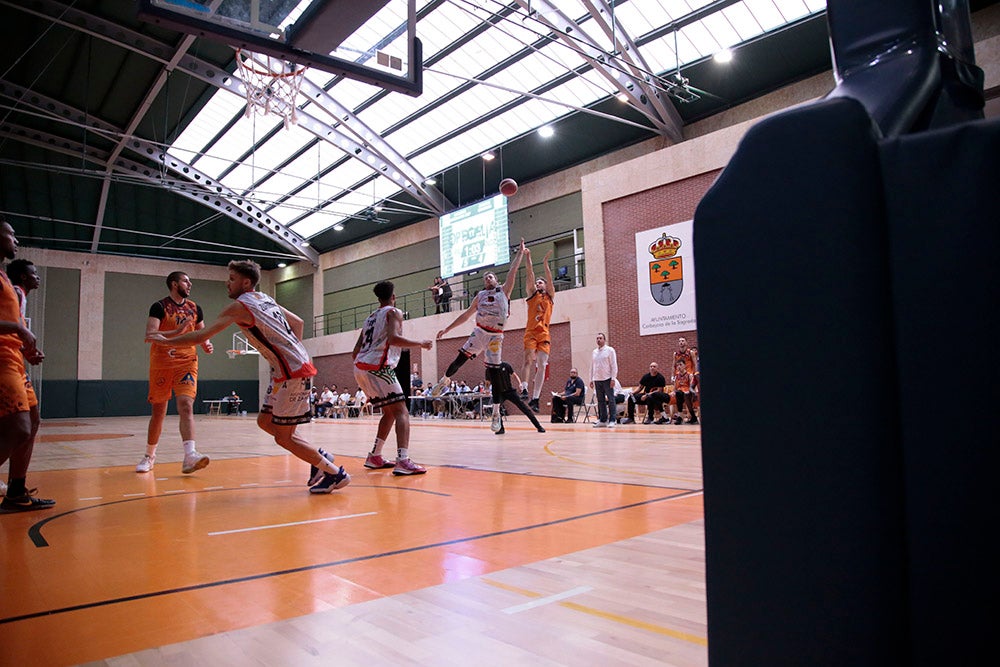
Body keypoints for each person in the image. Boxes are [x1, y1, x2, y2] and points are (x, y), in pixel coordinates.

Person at [146, 259, 349, 493]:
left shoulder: (240, 306)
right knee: (264, 422)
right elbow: (298, 323)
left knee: (284, 438)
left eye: (232, 279)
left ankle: (336, 474)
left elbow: (200, 336)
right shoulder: (265, 298)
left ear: (246, 282)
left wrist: (167, 339)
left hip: (293, 372)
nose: (227, 284)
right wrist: (289, 353)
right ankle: (319, 457)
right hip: (286, 370)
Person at [432, 239, 527, 432]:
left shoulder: (504, 291)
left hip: (495, 337)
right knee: (459, 359)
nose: (488, 280)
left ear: (496, 280)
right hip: (480, 332)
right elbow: (465, 315)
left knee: (495, 376)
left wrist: (520, 254)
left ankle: (495, 414)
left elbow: (513, 271)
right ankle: (444, 380)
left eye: (490, 277)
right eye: (485, 278)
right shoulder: (480, 296)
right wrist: (447, 329)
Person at [0, 219, 54, 512]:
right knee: (18, 428)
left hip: (15, 360)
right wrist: (19, 331)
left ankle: (16, 493)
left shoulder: (7, 282)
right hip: (0, 361)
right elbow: (13, 326)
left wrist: (26, 349)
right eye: (11, 234)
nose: (16, 240)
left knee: (32, 422)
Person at [353, 280, 433, 475]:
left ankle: (375, 456)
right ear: (393, 297)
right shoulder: (393, 312)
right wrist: (420, 343)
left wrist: (366, 368)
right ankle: (403, 460)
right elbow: (393, 339)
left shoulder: (369, 318)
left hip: (360, 367)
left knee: (389, 412)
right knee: (402, 412)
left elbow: (356, 350)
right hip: (378, 367)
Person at [138, 271, 213, 474]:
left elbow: (201, 332)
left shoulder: (195, 308)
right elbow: (150, 335)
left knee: (186, 405)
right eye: (186, 281)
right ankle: (149, 456)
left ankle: (190, 456)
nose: (190, 284)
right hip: (162, 362)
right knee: (159, 413)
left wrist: (206, 343)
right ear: (174, 284)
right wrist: (176, 333)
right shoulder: (160, 307)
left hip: (187, 362)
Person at [521, 246, 554, 412]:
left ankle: (535, 398)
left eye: (541, 282)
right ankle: (525, 387)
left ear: (546, 285)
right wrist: (528, 257)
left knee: (542, 364)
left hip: (544, 333)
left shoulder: (550, 296)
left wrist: (546, 263)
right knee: (528, 359)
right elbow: (530, 274)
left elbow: (549, 279)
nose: (538, 283)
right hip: (531, 332)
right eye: (537, 282)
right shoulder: (532, 294)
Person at [490, 361, 546, 435]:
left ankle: (538, 426)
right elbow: (488, 381)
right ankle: (501, 429)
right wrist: (487, 389)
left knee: (524, 408)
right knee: (496, 409)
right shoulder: (490, 369)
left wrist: (520, 384)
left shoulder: (506, 365)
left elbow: (514, 375)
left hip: (510, 391)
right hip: (499, 393)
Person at [589, 332, 619, 428]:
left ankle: (612, 420)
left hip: (607, 378)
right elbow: (592, 366)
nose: (598, 340)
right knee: (600, 400)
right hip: (597, 379)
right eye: (597, 338)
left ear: (604, 340)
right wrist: (591, 379)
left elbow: (614, 365)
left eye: (600, 338)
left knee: (611, 399)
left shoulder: (610, 350)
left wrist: (613, 378)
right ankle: (603, 420)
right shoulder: (594, 352)